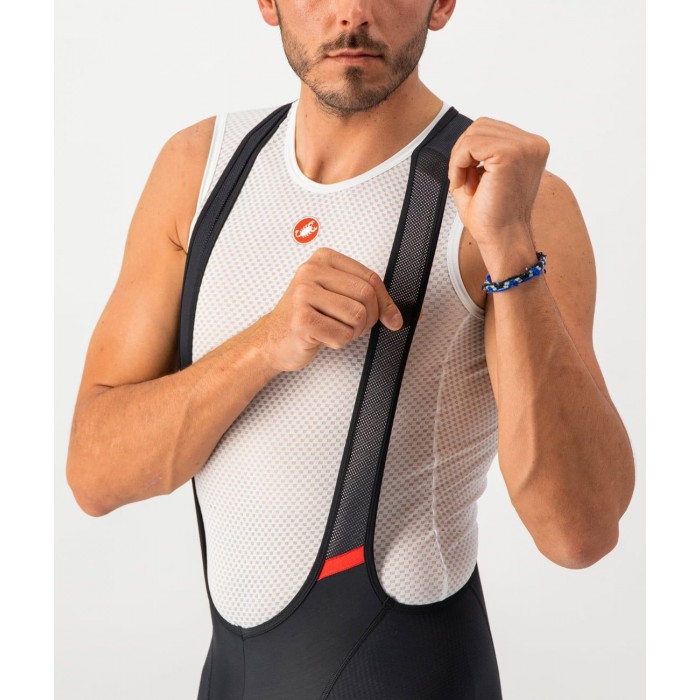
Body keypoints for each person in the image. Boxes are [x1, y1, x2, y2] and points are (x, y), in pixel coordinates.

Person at [66, 1, 636, 698]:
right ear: (268, 3)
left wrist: (510, 248)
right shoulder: (202, 169)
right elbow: (94, 475)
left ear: (441, 3)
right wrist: (268, 343)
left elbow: (579, 533)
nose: (352, 13)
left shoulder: (517, 199)